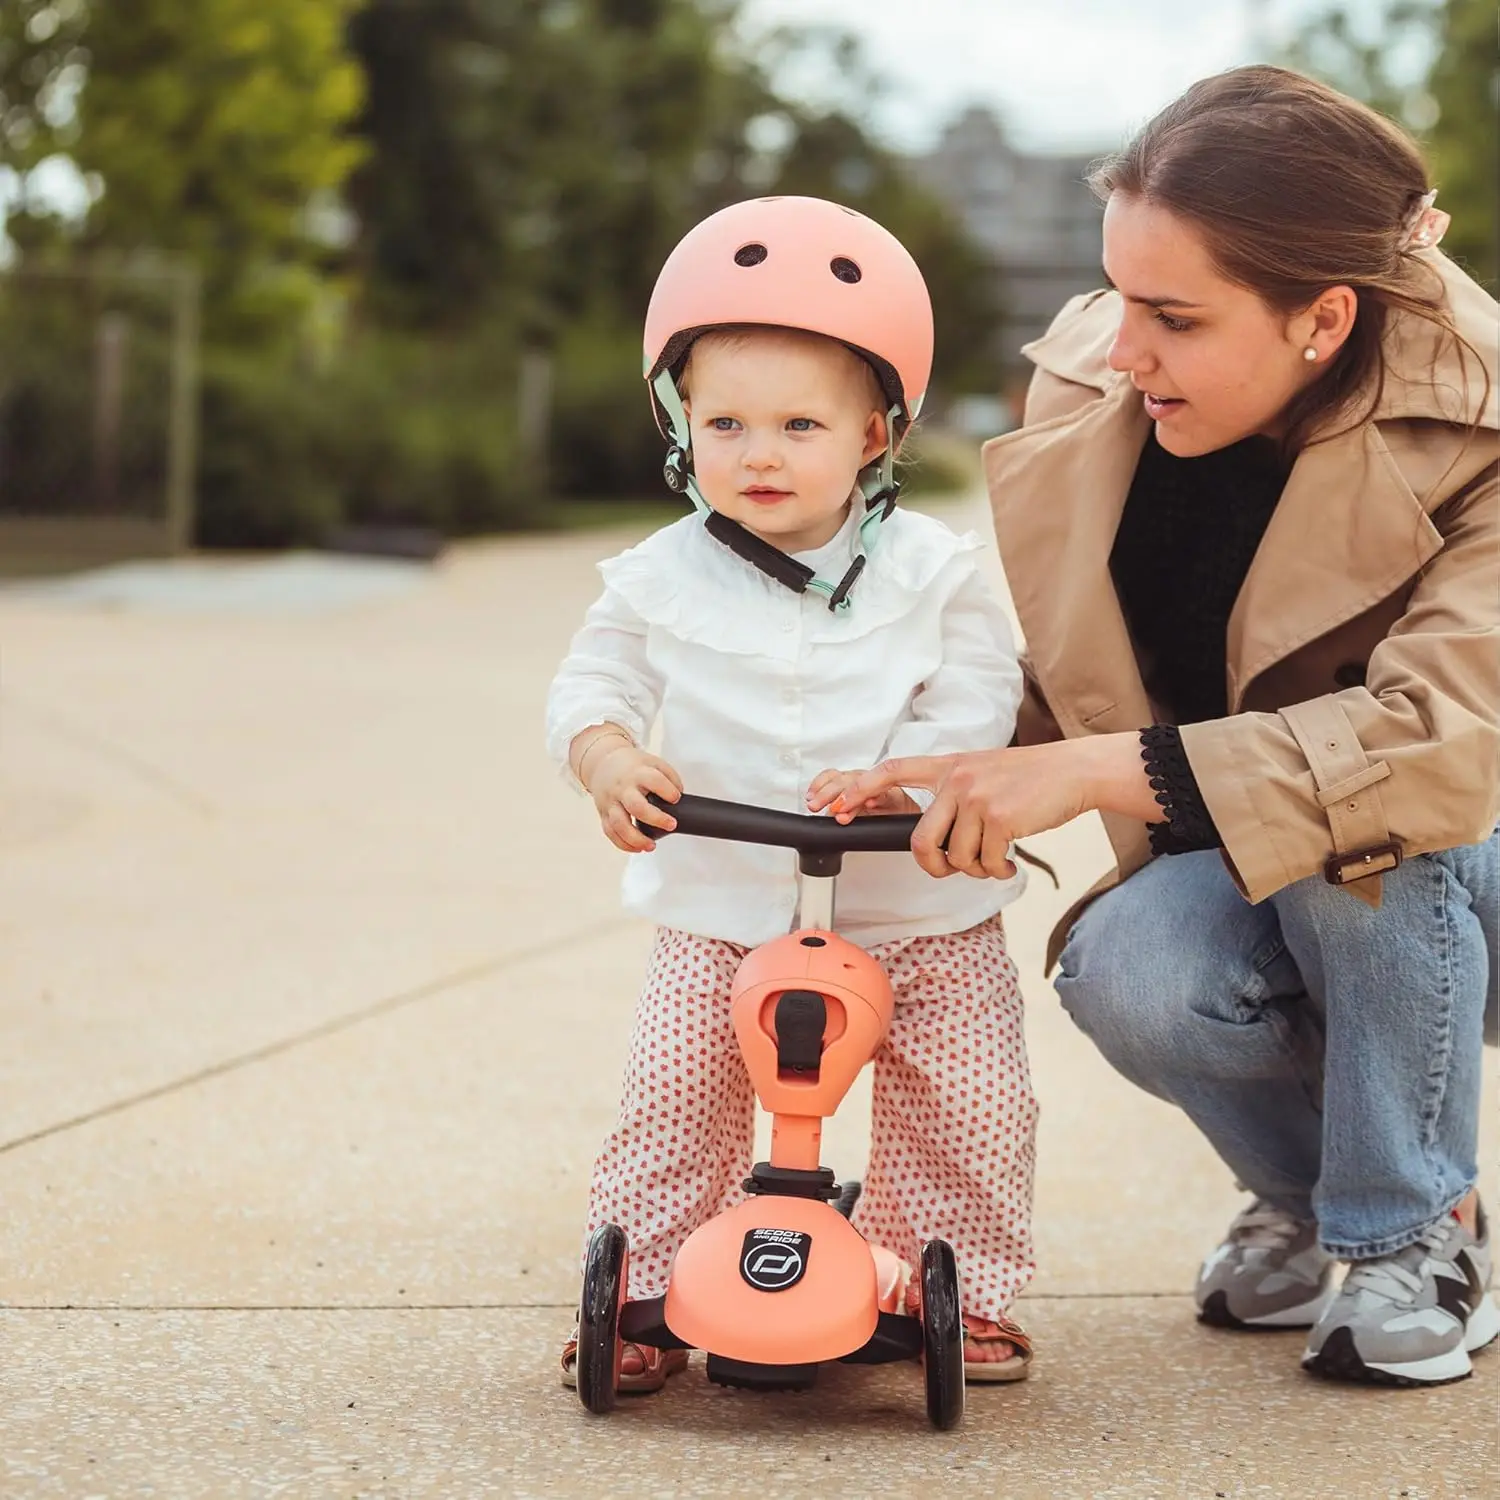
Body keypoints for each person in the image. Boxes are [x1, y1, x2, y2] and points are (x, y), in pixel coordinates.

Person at [834, 66, 1499, 1389]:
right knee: (1131, 968)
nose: (1122, 347)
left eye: (1174, 316)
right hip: (1270, 853)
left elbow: (1436, 747)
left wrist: (1095, 774)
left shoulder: (1483, 427)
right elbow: (1085, 669)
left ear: (1324, 319)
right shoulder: (1103, 386)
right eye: (1118, 293)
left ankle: (1418, 1232)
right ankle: (1312, 1205)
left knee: (1355, 831)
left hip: (1460, 857)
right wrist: (930, 760)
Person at [545, 195, 1039, 1392]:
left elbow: (984, 685)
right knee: (674, 1090)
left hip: (914, 901)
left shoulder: (931, 570)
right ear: (679, 427)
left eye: (799, 424)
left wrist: (912, 768)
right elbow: (592, 674)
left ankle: (949, 1281)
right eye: (725, 422)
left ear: (874, 434)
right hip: (724, 899)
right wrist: (607, 751)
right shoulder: (660, 573)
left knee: (968, 1095)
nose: (759, 454)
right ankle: (649, 1290)